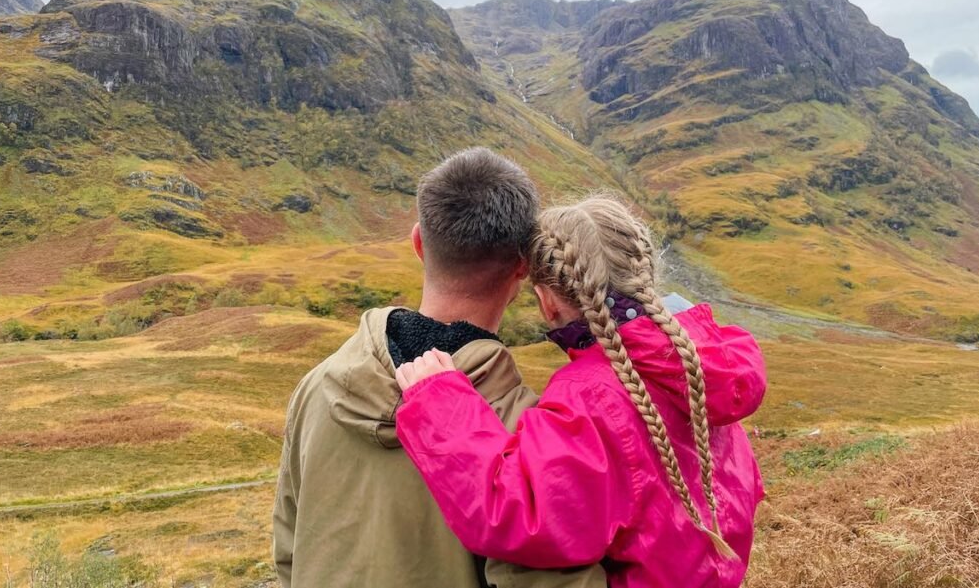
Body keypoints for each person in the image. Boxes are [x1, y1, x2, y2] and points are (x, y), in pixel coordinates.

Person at [272, 147, 605, 588]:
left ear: (417, 243)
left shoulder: (315, 387)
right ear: (523, 266)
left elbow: (289, 554)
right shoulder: (531, 433)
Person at [395, 196, 767, 588]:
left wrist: (439, 403)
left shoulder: (587, 398)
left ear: (547, 302)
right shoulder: (702, 359)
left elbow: (519, 514)